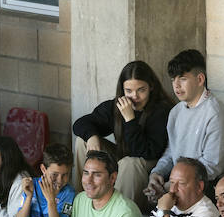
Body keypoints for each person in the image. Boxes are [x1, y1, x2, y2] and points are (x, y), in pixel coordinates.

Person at [73, 60, 174, 208]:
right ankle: (82, 203)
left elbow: (144, 151)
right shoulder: (117, 105)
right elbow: (80, 123)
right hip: (123, 160)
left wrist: (130, 119)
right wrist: (91, 136)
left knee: (130, 163)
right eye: (129, 91)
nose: (135, 96)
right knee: (82, 141)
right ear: (122, 89)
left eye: (141, 90)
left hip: (148, 166)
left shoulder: (162, 111)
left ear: (151, 87)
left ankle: (117, 213)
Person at [147, 50, 224, 194]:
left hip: (218, 190)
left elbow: (211, 168)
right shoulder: (176, 112)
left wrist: (172, 186)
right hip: (185, 185)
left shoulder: (216, 115)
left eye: (182, 79)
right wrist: (156, 174)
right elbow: (171, 153)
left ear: (200, 79)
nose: (176, 85)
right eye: (173, 80)